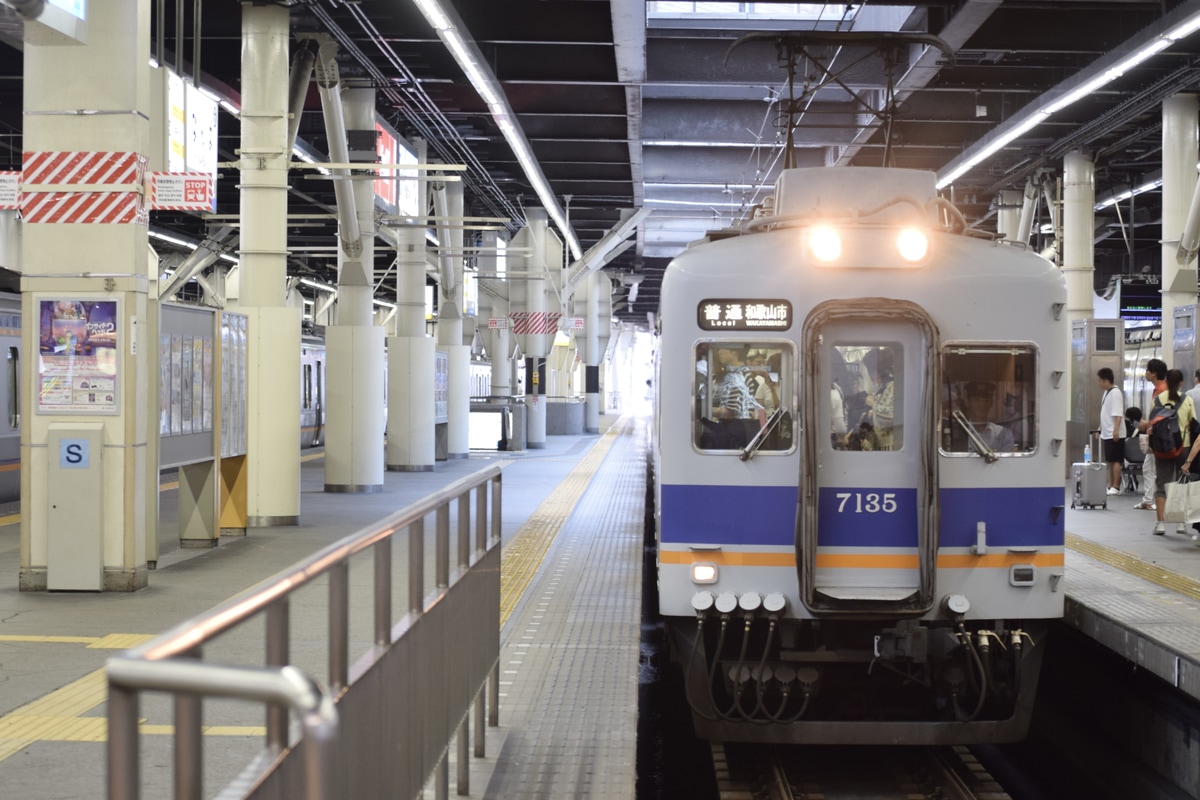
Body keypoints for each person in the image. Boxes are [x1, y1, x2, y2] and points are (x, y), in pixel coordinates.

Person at [1140, 368, 1196, 535]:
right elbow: (1192, 423)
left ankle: (1160, 524)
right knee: (1181, 484)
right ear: (1181, 383)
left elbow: (1151, 422)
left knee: (1161, 484)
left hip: (1162, 447)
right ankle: (1180, 523)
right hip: (1182, 447)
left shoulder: (1158, 399)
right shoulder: (1187, 400)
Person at [1135, 358, 1168, 511]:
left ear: (1154, 373)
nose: (1145, 373)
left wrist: (1147, 424)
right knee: (1148, 468)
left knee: (1155, 469)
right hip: (1154, 435)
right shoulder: (1158, 389)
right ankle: (1148, 500)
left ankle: (1153, 500)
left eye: (1148, 370)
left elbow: (1162, 415)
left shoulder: (1162, 390)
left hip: (1160, 437)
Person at [960, 380, 1015, 453]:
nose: (981, 405)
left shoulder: (1003, 434)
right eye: (977, 400)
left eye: (985, 400)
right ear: (967, 402)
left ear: (991, 403)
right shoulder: (960, 432)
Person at [1097, 367, 1124, 495]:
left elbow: (1118, 413)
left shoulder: (1115, 393)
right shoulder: (1107, 392)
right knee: (1110, 460)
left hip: (1114, 432)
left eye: (1100, 381)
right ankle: (1110, 484)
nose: (1099, 383)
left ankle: (1116, 486)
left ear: (1106, 381)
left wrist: (1116, 430)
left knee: (1116, 459)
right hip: (1107, 431)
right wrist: (1100, 427)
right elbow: (1106, 412)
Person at [862, 349, 896, 450]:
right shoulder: (883, 385)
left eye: (872, 371)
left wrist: (873, 404)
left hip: (889, 443)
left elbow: (891, 415)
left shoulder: (892, 385)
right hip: (882, 441)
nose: (871, 377)